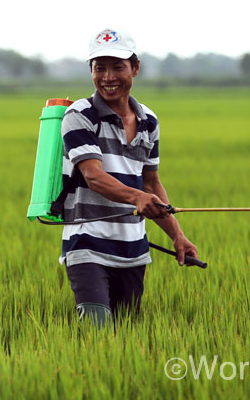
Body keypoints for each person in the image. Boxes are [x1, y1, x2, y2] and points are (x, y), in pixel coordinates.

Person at [59, 28, 199, 326]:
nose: (108, 77)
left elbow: (151, 184)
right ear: (91, 71)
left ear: (135, 68)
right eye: (100, 68)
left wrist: (177, 236)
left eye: (117, 67)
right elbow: (93, 176)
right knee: (95, 328)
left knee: (125, 333)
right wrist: (138, 197)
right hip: (87, 243)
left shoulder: (149, 121)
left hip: (134, 248)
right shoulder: (79, 115)